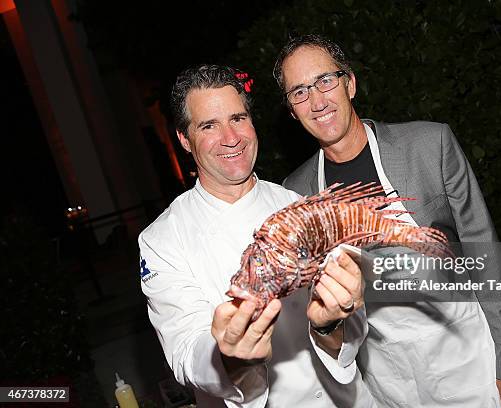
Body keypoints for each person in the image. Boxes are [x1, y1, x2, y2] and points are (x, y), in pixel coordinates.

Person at [274, 34, 501, 407]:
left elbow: (486, 254)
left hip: (466, 357)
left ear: (349, 83)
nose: (317, 101)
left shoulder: (429, 144)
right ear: (291, 110)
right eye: (299, 92)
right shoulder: (297, 191)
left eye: (325, 81)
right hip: (387, 375)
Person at [138, 64, 376, 407]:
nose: (231, 138)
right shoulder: (161, 240)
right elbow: (186, 352)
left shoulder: (300, 205)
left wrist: (330, 324)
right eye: (209, 125)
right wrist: (232, 357)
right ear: (184, 139)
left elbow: (351, 331)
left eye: (238, 118)